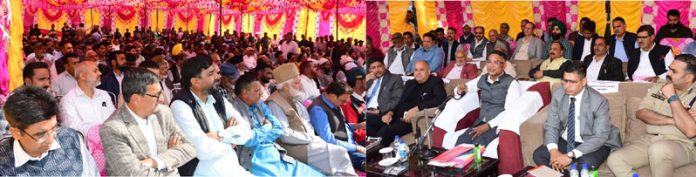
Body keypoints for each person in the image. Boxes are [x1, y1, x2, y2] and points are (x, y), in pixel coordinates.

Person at [607, 54, 696, 177]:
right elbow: (641, 112)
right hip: (651, 139)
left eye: (673, 71)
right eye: (669, 68)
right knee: (615, 159)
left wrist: (672, 97)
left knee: (659, 150)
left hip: (683, 144)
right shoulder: (660, 85)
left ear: (688, 77)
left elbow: (691, 131)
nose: (668, 73)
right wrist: (674, 120)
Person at [100, 69, 196, 176]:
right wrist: (170, 157)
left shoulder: (163, 113)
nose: (162, 99)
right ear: (136, 99)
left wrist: (154, 161)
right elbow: (132, 173)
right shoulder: (112, 128)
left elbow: (191, 147)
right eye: (156, 95)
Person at [266, 63, 357, 176]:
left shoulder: (296, 97)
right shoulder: (274, 103)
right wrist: (310, 138)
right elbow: (284, 134)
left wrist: (314, 138)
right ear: (285, 86)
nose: (301, 86)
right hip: (292, 147)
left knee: (337, 155)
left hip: (310, 141)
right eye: (297, 83)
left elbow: (307, 123)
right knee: (339, 152)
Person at [170, 56, 254, 176]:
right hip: (204, 171)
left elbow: (247, 132)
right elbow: (202, 150)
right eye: (210, 74)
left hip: (231, 167)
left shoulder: (217, 97)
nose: (218, 77)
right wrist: (232, 141)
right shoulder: (180, 105)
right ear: (195, 82)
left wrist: (220, 135)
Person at [532, 62, 622, 171]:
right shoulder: (558, 94)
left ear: (584, 82)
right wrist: (553, 151)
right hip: (566, 139)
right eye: (565, 80)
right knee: (539, 155)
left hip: (593, 141)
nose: (567, 86)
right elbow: (551, 124)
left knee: (586, 164)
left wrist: (570, 155)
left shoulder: (599, 101)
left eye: (573, 82)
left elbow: (600, 136)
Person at [230, 74, 325, 176]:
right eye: (257, 90)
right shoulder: (233, 110)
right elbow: (247, 139)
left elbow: (278, 129)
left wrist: (260, 134)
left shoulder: (260, 103)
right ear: (245, 93)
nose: (261, 93)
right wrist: (267, 128)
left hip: (274, 151)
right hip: (255, 158)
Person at [0, 86, 99, 176]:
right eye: (41, 134)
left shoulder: (71, 139)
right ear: (16, 133)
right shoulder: (3, 164)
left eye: (54, 128)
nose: (51, 140)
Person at [376, 61, 446, 146]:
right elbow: (400, 102)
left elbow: (440, 100)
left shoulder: (435, 82)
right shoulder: (410, 83)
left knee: (384, 131)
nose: (418, 73)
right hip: (396, 117)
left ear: (428, 71)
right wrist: (390, 113)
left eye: (421, 70)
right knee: (370, 121)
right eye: (416, 70)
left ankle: (379, 156)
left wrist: (417, 108)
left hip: (411, 121)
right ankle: (371, 153)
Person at [455, 51, 515, 145]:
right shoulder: (483, 78)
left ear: (504, 65)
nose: (491, 66)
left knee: (478, 146)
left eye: (496, 62)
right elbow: (464, 88)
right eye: (489, 62)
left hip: (497, 125)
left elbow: (511, 111)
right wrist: (460, 89)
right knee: (461, 142)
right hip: (480, 122)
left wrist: (488, 126)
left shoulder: (511, 83)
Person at [308, 81, 366, 172]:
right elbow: (328, 140)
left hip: (351, 144)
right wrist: (356, 148)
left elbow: (341, 126)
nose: (344, 104)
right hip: (342, 152)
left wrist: (357, 126)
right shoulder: (318, 109)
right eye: (343, 101)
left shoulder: (332, 102)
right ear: (332, 96)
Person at [59, 60, 115, 136]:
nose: (100, 73)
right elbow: (73, 127)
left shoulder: (104, 94)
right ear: (83, 76)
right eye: (95, 71)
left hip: (111, 139)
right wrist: (101, 131)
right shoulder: (68, 100)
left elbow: (114, 117)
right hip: (87, 144)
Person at [365, 58, 404, 137]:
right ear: (369, 70)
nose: (377, 70)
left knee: (367, 120)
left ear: (384, 66)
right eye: (373, 68)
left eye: (379, 66)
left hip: (380, 113)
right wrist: (366, 80)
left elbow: (397, 99)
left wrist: (380, 110)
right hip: (365, 111)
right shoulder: (368, 80)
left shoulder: (395, 79)